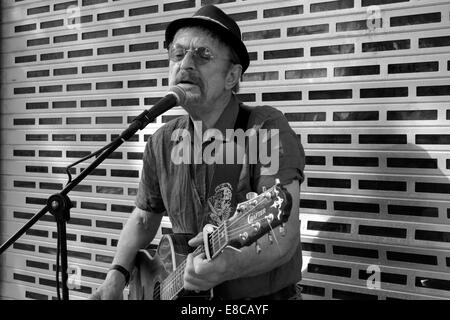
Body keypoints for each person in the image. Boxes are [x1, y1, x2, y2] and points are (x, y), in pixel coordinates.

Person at [90, 4, 305, 300]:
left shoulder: (265, 129)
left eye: (202, 55)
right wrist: (116, 275)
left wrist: (229, 266)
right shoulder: (163, 141)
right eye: (178, 55)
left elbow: (285, 233)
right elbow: (142, 220)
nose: (185, 64)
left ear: (232, 76)